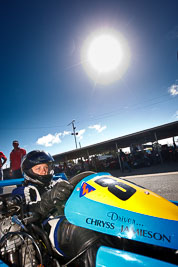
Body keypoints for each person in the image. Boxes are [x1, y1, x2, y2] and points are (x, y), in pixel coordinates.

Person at [12, 150, 110, 266]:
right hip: (47, 230)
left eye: (46, 167)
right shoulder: (24, 190)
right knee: (78, 230)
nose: (44, 171)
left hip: (75, 215)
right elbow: (25, 212)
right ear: (28, 172)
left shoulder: (59, 182)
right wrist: (48, 199)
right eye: (38, 168)